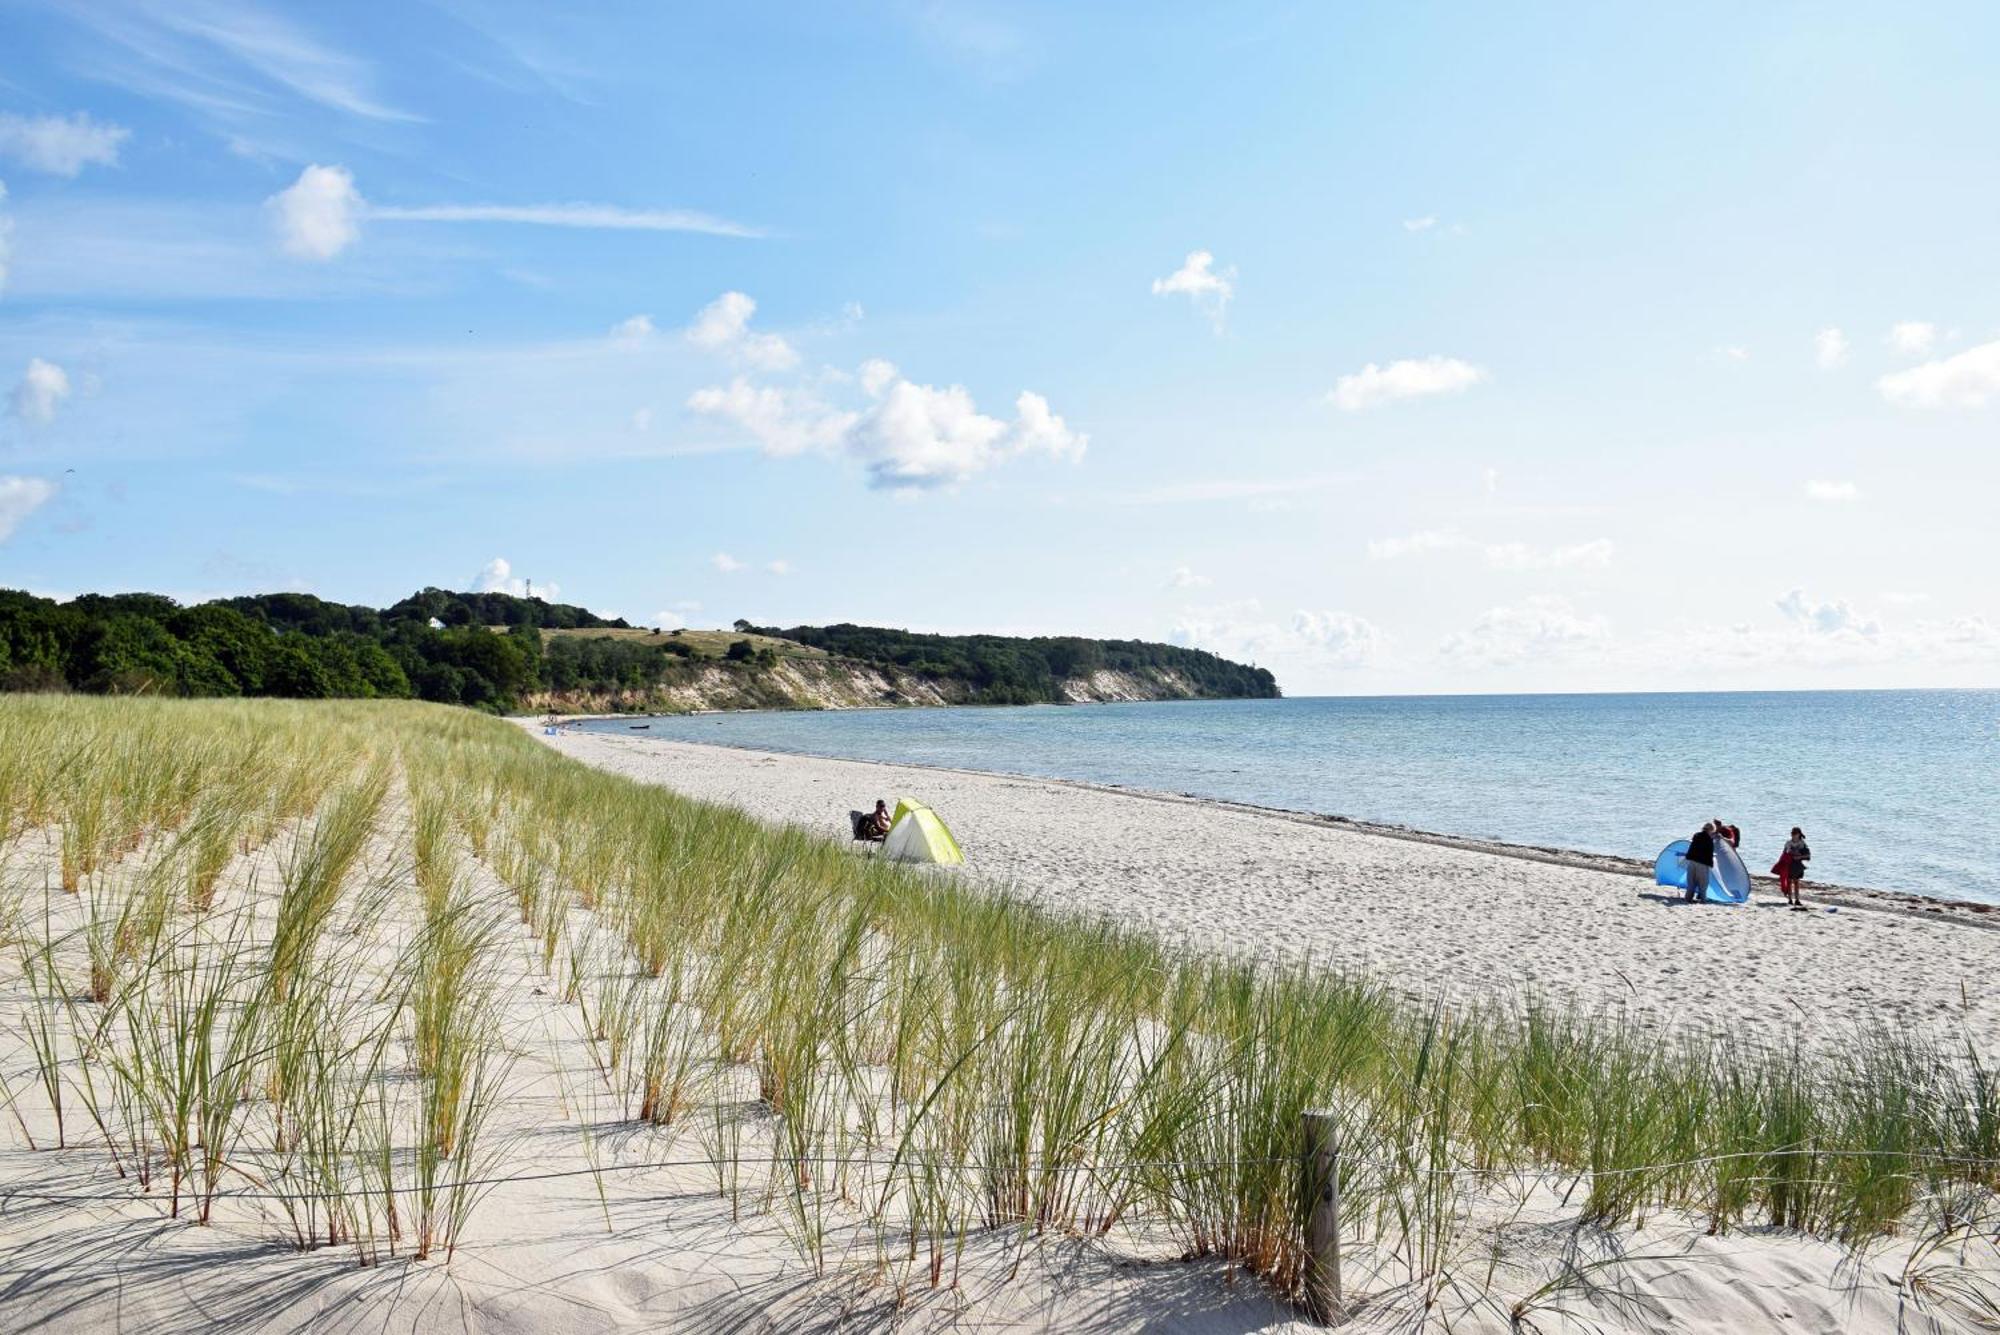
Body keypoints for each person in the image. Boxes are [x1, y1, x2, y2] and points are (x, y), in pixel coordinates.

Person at [1774, 827, 1811, 910]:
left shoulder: (1802, 843)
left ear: (1799, 834)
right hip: (1789, 864)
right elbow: (1784, 853)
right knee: (1789, 882)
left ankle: (1797, 899)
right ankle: (1790, 899)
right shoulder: (1788, 843)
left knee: (1797, 882)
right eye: (1792, 834)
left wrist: (1800, 857)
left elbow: (1808, 855)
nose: (1793, 835)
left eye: (1795, 834)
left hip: (1798, 865)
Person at [1684, 822, 1716, 904]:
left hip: (1692, 861)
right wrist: (1711, 864)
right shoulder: (1709, 839)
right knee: (1703, 883)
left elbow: (1693, 846)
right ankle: (1703, 900)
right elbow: (1709, 852)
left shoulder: (1696, 835)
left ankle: (1688, 898)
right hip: (1702, 863)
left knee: (1691, 881)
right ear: (1711, 830)